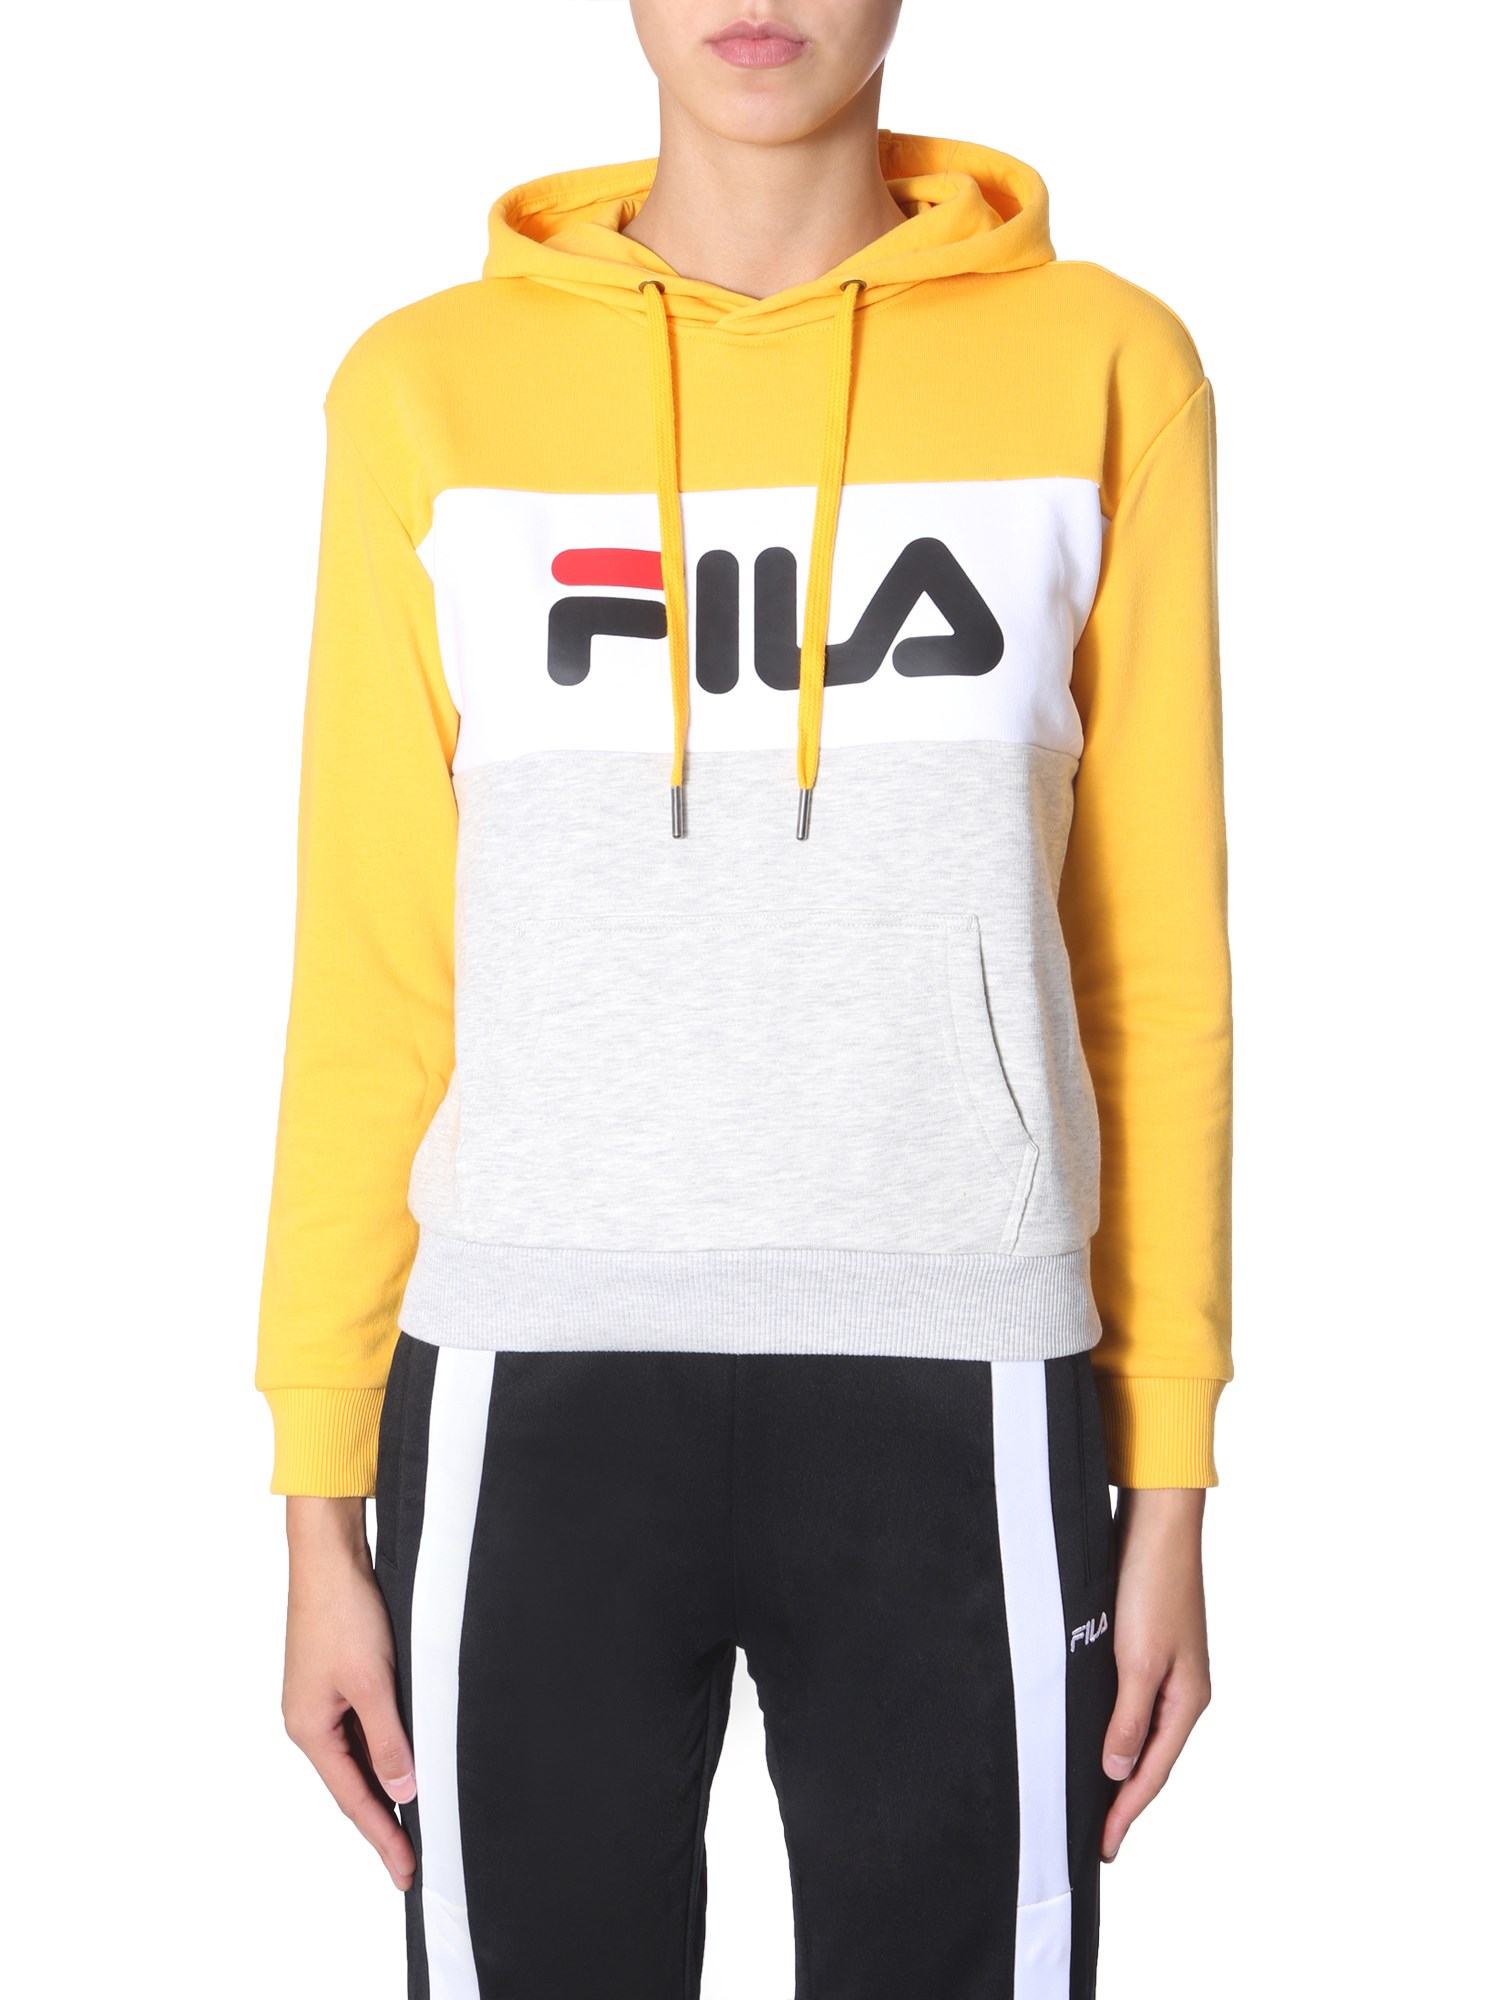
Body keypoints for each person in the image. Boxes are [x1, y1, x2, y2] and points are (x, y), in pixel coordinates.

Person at [256, 4, 1232, 1994]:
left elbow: (1154, 961)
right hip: (529, 1373)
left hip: (963, 1360)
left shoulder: (1104, 364)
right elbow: (374, 965)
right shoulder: (425, 389)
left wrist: (1172, 1474)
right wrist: (315, 1497)